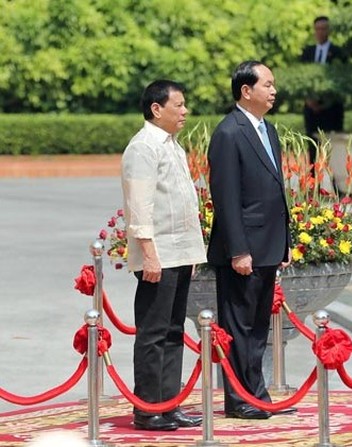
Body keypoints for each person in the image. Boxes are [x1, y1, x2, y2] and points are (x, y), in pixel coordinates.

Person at [207, 60, 291, 420]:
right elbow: (225, 198)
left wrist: (284, 242)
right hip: (243, 250)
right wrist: (238, 249)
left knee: (257, 326)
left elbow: (275, 191)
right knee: (238, 325)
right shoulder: (229, 132)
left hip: (269, 244)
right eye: (267, 85)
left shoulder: (267, 129)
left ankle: (257, 393)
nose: (273, 91)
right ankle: (239, 398)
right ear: (246, 90)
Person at [121, 80, 206, 431]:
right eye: (179, 105)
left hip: (179, 252)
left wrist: (192, 252)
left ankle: (169, 405)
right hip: (158, 255)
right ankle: (147, 407)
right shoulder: (142, 147)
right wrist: (149, 255)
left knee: (174, 330)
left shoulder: (172, 145)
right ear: (157, 109)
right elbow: (139, 206)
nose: (184, 111)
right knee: (153, 333)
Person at [300, 16, 347, 162]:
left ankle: (337, 182)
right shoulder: (307, 52)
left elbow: (342, 80)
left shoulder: (339, 53)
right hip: (311, 109)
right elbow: (302, 77)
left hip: (332, 109)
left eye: (323, 29)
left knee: (334, 149)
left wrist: (327, 102)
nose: (320, 32)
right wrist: (309, 100)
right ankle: (314, 182)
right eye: (318, 29)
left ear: (329, 30)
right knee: (312, 147)